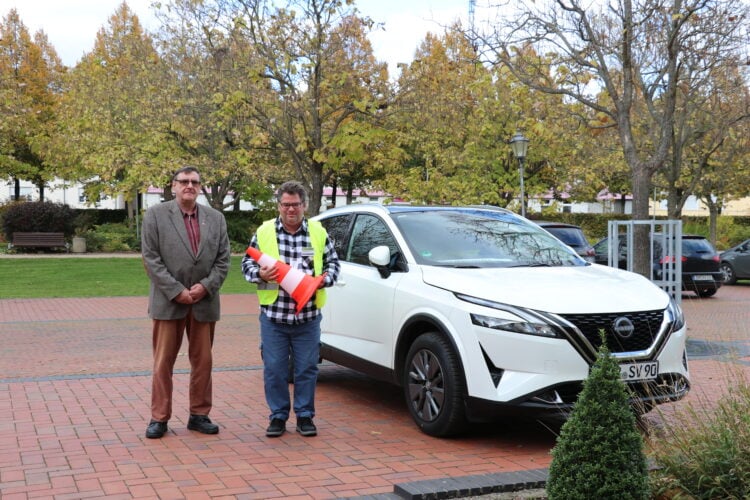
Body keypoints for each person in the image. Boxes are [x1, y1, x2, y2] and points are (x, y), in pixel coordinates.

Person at [242, 181, 340, 437]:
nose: (291, 209)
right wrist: (260, 274)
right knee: (274, 369)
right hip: (274, 317)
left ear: (304, 205)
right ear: (279, 206)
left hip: (307, 318)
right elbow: (247, 265)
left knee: (307, 368)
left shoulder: (318, 232)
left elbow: (333, 264)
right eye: (286, 205)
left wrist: (322, 280)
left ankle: (305, 416)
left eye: (295, 204)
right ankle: (278, 416)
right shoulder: (264, 232)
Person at [141, 166, 231, 439]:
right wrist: (176, 290)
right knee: (163, 363)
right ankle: (159, 418)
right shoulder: (155, 215)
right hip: (169, 301)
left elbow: (223, 260)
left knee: (203, 361)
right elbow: (151, 258)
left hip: (204, 302)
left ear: (200, 187)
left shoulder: (215, 219)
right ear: (173, 186)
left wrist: (205, 286)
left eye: (194, 182)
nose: (189, 185)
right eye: (184, 181)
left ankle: (199, 414)